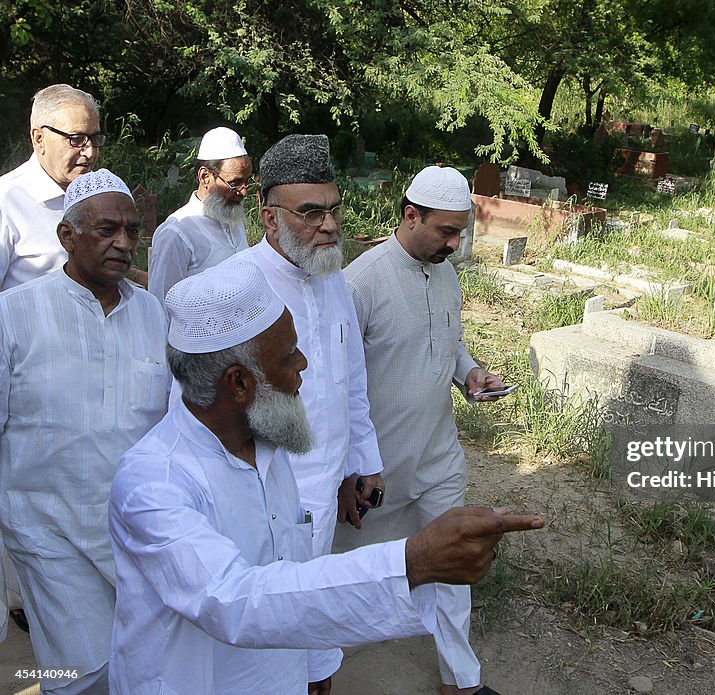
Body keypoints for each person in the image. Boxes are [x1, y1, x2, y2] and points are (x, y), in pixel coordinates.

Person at [107, 262, 543, 694]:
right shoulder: (154, 482)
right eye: (287, 356)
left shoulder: (268, 444)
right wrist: (413, 561)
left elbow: (292, 567)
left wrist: (314, 662)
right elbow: (234, 599)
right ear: (238, 383)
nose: (304, 364)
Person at [337, 166, 509, 695]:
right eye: (446, 232)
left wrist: (469, 373)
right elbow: (340, 386)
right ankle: (313, 671)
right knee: (348, 576)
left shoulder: (446, 272)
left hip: (439, 453)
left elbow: (448, 341)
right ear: (411, 215)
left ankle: (461, 680)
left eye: (461, 232)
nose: (455, 245)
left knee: (454, 559)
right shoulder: (360, 283)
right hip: (377, 466)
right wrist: (352, 469)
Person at [0, 169, 169, 694]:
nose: (123, 243)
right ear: (66, 237)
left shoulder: (155, 316)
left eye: (132, 231)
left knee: (141, 665)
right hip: (46, 529)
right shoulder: (14, 314)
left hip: (135, 533)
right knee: (80, 674)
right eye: (106, 230)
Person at [221, 134, 383, 562]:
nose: (329, 225)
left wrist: (357, 464)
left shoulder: (333, 279)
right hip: (259, 504)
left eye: (333, 209)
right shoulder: (235, 286)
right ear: (270, 218)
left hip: (325, 493)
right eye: (311, 213)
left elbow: (350, 381)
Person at [0, 83, 146, 291]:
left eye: (95, 139)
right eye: (76, 139)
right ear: (38, 138)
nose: (89, 153)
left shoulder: (103, 197)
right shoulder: (6, 202)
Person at [148, 126, 253, 305]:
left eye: (246, 182)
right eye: (235, 183)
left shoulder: (232, 218)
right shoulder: (176, 232)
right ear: (205, 176)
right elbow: (160, 306)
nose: (243, 193)